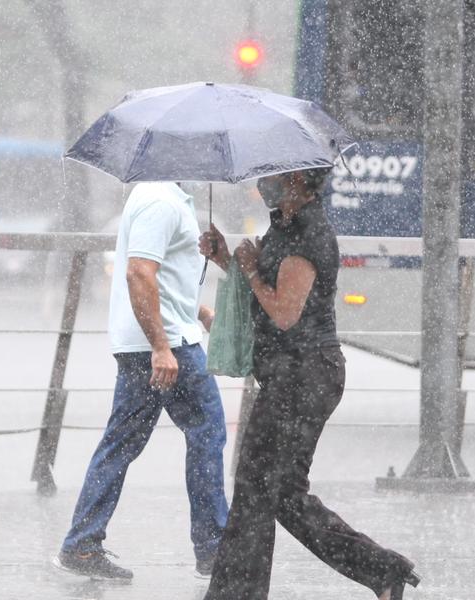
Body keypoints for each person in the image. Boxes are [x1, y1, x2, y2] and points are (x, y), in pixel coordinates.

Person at [199, 169, 419, 600]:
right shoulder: (282, 225)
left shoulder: (309, 233)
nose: (266, 181)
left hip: (303, 375)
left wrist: (248, 266)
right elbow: (263, 286)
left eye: (274, 174)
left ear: (299, 177)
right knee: (281, 494)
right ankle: (383, 570)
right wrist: (226, 258)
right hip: (292, 375)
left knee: (254, 489)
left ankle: (235, 595)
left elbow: (284, 311)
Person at [55, 181, 228, 580]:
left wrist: (197, 313)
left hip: (161, 338)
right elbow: (138, 273)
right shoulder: (160, 202)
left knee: (121, 443)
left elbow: (160, 278)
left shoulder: (160, 197)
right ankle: (214, 548)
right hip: (167, 346)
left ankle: (82, 543)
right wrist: (161, 347)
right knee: (206, 433)